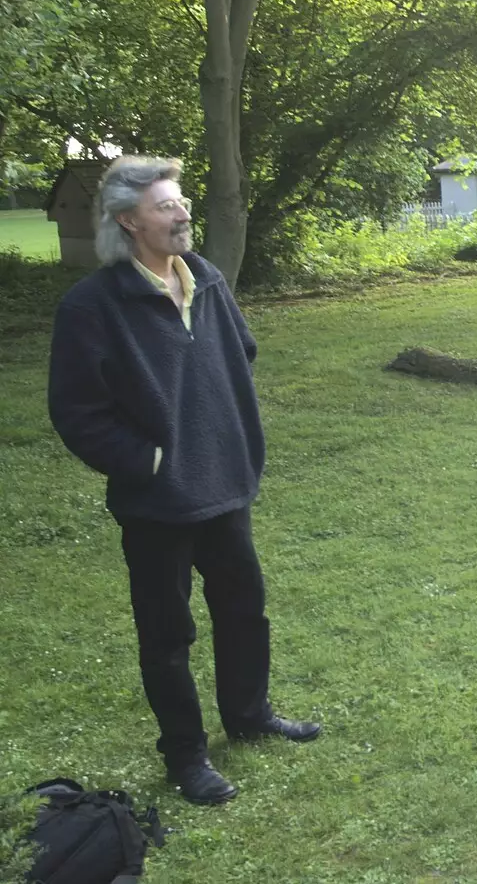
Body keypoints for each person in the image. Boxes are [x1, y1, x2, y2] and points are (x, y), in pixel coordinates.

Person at [47, 155, 319, 806]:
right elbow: (76, 411)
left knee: (244, 610)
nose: (183, 212)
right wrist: (149, 462)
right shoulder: (93, 306)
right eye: (167, 205)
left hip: (223, 485)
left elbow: (239, 353)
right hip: (156, 502)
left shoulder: (207, 279)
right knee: (168, 636)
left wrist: (230, 434)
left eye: (182, 201)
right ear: (127, 221)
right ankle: (187, 755)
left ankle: (249, 714)